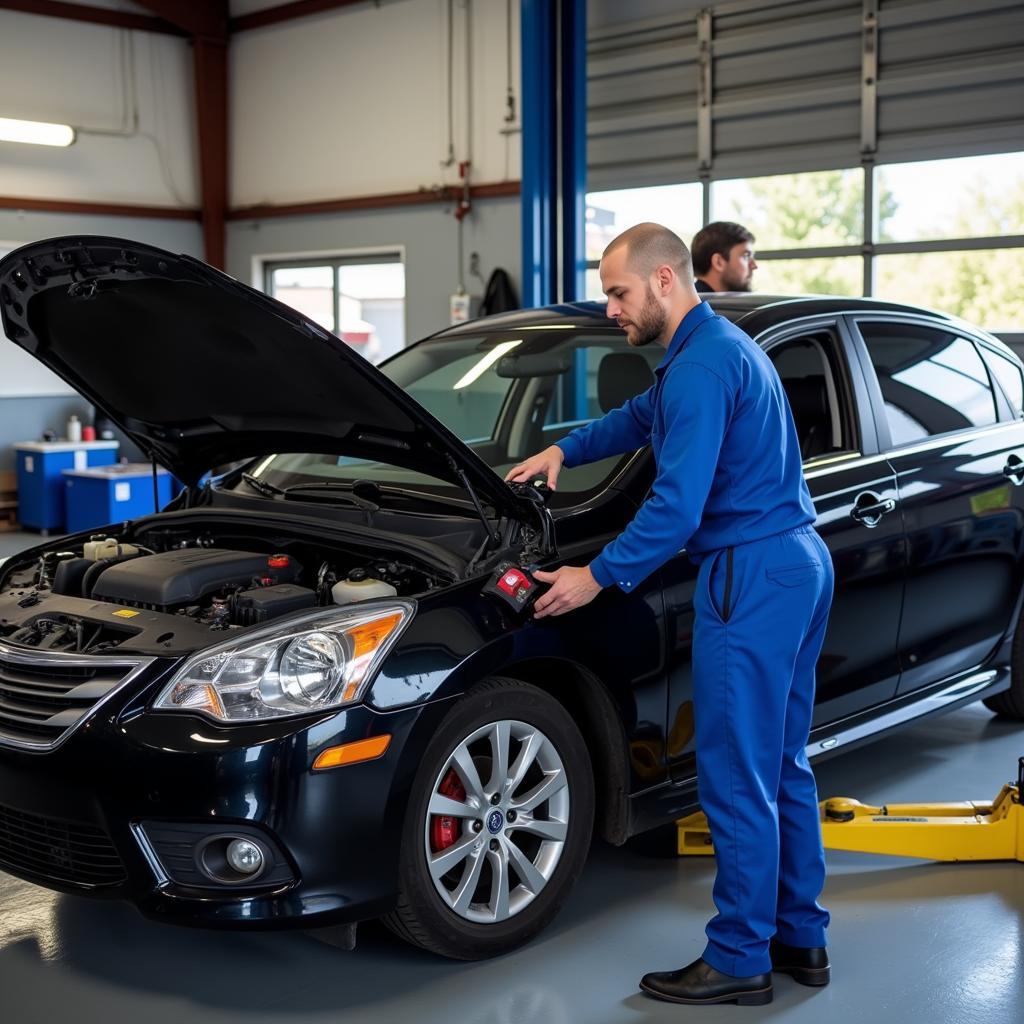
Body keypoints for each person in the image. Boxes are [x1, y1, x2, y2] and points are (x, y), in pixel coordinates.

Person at [505, 223, 834, 1007]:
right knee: (781, 763)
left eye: (618, 293)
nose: (610, 307)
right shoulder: (712, 350)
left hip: (750, 574)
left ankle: (739, 958)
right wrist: (563, 451)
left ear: (662, 280)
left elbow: (676, 508)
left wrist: (597, 576)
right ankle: (801, 939)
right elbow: (635, 419)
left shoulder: (700, 369)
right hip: (797, 561)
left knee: (733, 772)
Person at [691, 221, 757, 292]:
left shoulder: (692, 298)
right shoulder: (693, 301)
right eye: (746, 256)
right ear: (718, 262)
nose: (754, 266)